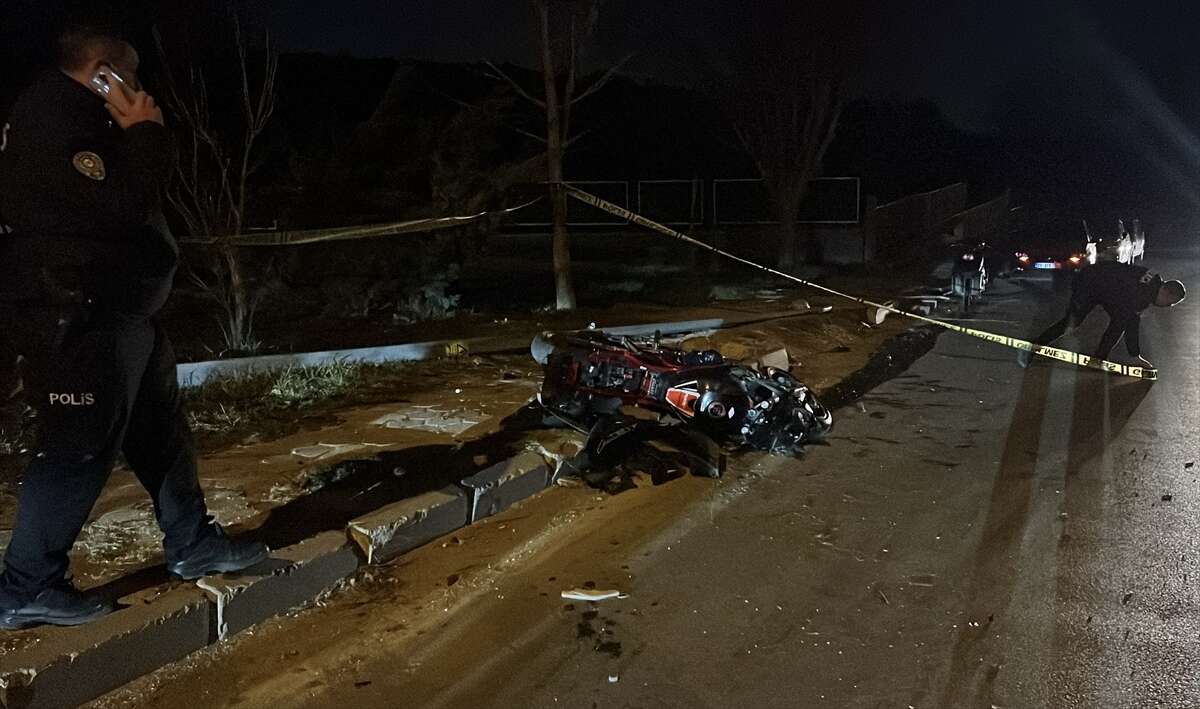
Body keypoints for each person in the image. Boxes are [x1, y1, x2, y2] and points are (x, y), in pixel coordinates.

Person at [0, 23, 269, 630]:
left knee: (161, 433)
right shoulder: (55, 119)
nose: (139, 88)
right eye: (130, 76)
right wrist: (146, 133)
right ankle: (26, 585)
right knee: (78, 446)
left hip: (120, 310)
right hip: (78, 314)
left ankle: (192, 541)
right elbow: (118, 208)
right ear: (103, 73)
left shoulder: (77, 116)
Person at [1017, 260, 1186, 370]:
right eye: (1169, 303)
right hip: (1088, 283)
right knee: (1072, 322)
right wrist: (1135, 356)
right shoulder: (1143, 293)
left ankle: (1098, 358)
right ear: (1166, 292)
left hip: (1107, 289)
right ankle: (1033, 347)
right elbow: (1132, 325)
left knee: (1120, 320)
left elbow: (1127, 320)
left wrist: (1134, 355)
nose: (1167, 307)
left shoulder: (1151, 286)